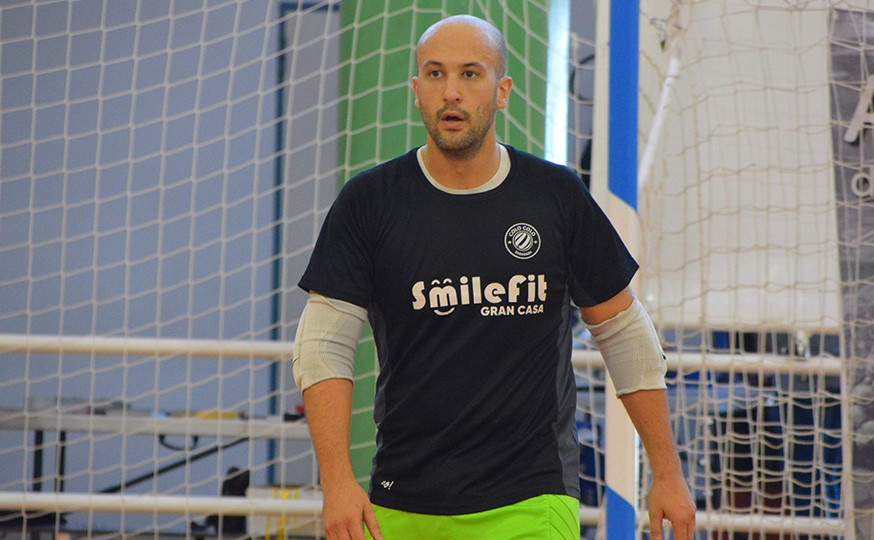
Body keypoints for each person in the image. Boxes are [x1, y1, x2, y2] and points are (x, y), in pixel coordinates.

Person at [292, 14, 696, 540]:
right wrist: (336, 481)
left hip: (531, 499)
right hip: (400, 500)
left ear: (502, 91)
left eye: (471, 74)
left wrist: (667, 473)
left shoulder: (555, 196)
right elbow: (322, 345)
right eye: (435, 75)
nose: (451, 91)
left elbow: (624, 333)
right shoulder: (369, 202)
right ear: (416, 91)